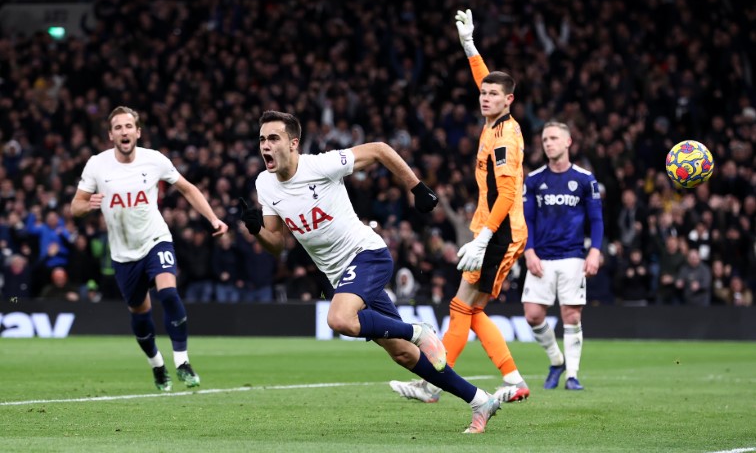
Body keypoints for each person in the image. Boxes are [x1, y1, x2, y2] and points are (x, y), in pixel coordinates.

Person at [239, 110, 500, 434]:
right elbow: (277, 243)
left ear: (293, 144)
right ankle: (480, 400)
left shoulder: (320, 166)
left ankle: (418, 331)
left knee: (339, 319)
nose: (265, 145)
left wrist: (416, 187)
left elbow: (378, 149)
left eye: (273, 138)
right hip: (342, 277)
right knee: (404, 355)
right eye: (262, 139)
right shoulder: (264, 183)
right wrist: (257, 231)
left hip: (367, 256)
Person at [390, 8, 530, 406]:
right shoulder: (494, 119)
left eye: (493, 95)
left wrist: (485, 239)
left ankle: (433, 383)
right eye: (482, 93)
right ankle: (514, 379)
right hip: (492, 228)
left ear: (510, 101)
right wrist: (469, 46)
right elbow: (484, 80)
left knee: (460, 306)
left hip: (501, 230)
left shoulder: (505, 138)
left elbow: (506, 194)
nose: (484, 98)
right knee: (472, 310)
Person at [71, 106, 228, 391]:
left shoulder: (154, 160)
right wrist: (88, 204)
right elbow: (75, 206)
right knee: (140, 315)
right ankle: (157, 366)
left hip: (155, 239)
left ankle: (182, 361)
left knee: (168, 292)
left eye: (128, 126)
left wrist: (213, 218)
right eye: (118, 127)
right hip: (123, 254)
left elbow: (188, 188)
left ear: (138, 131)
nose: (124, 131)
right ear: (111, 135)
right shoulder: (97, 165)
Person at [521, 121, 604, 390]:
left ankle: (572, 375)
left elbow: (597, 220)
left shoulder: (584, 178)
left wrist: (595, 251)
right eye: (545, 139)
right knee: (533, 315)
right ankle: (556, 360)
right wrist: (529, 251)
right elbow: (527, 220)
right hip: (541, 256)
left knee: (572, 316)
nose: (548, 143)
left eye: (554, 138)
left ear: (568, 142)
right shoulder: (533, 180)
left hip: (573, 256)